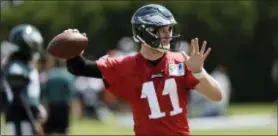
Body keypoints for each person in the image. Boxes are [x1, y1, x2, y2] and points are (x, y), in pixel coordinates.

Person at [65, 4, 222, 135]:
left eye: (170, 30)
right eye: (162, 30)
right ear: (145, 32)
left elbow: (216, 95)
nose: (168, 35)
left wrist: (198, 72)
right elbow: (80, 67)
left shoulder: (181, 61)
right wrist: (71, 51)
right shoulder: (124, 65)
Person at [1, 24, 46, 136]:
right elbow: (19, 97)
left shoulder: (23, 66)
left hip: (25, 118)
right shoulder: (16, 68)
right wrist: (33, 119)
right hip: (19, 119)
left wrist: (37, 108)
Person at [41, 55, 76, 135]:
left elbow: (44, 91)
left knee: (48, 130)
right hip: (64, 106)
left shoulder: (49, 74)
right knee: (64, 129)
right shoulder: (68, 75)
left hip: (51, 105)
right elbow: (71, 92)